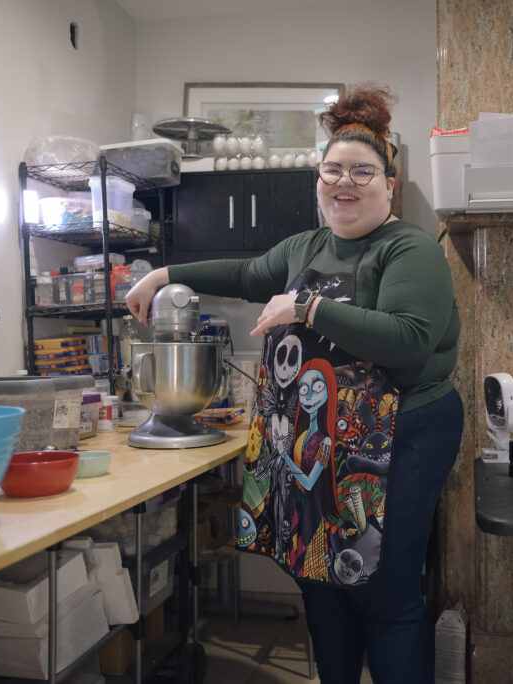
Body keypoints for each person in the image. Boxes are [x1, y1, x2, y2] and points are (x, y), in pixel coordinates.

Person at [126, 85, 463, 684]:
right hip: (314, 442)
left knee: (384, 595)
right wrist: (164, 272)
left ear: (389, 183)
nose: (346, 182)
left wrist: (307, 307)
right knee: (319, 583)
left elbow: (408, 338)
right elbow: (244, 272)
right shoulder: (305, 247)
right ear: (318, 181)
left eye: (363, 171)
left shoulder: (407, 248)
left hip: (400, 436)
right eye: (333, 170)